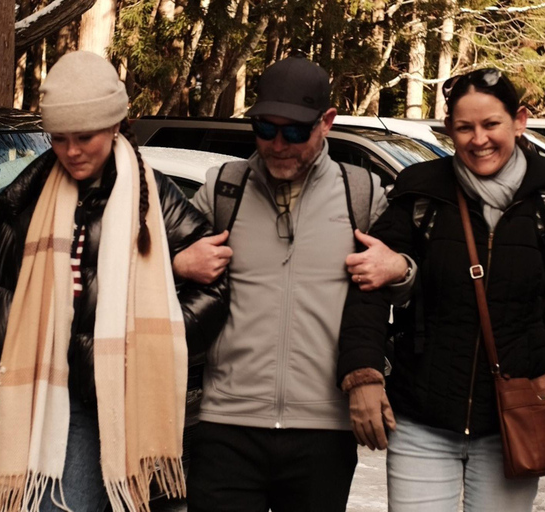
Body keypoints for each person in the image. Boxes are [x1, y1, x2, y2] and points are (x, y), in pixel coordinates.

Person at [338, 68, 545, 512]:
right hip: (423, 419)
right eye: (465, 127)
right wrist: (363, 374)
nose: (479, 139)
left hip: (514, 420)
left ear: (519, 121)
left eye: (491, 124)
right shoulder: (421, 196)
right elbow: (366, 284)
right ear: (449, 129)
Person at [0, 51, 228, 512]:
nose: (71, 151)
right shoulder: (30, 191)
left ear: (115, 125)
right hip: (9, 391)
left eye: (84, 137)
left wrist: (137, 351)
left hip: (90, 401)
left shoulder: (151, 196)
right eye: (58, 138)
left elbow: (215, 289)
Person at [171, 56, 414, 512]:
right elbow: (147, 268)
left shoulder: (361, 193)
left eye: (296, 132)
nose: (279, 144)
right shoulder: (223, 189)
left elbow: (404, 287)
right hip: (226, 425)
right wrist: (177, 263)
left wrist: (400, 268)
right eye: (265, 129)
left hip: (323, 432)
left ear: (326, 122)